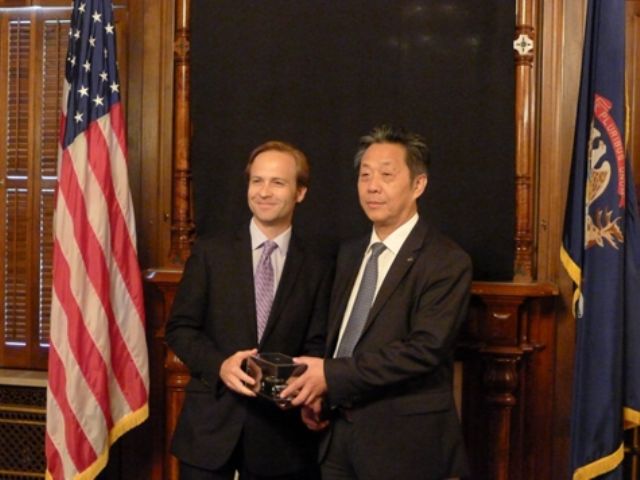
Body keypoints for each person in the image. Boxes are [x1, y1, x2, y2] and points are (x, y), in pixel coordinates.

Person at [281, 125, 472, 480]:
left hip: (404, 446)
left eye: (386, 175)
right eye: (365, 175)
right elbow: (337, 339)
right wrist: (319, 392)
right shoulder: (350, 253)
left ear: (419, 185)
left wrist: (331, 376)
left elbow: (424, 350)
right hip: (336, 437)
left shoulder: (446, 260)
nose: (372, 186)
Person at [165, 141, 332, 480]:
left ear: (300, 192)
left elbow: (317, 343)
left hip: (281, 439)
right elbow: (180, 329)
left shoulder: (318, 264)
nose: (264, 192)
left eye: (277, 182)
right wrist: (220, 365)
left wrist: (301, 392)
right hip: (209, 431)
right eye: (257, 181)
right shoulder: (211, 253)